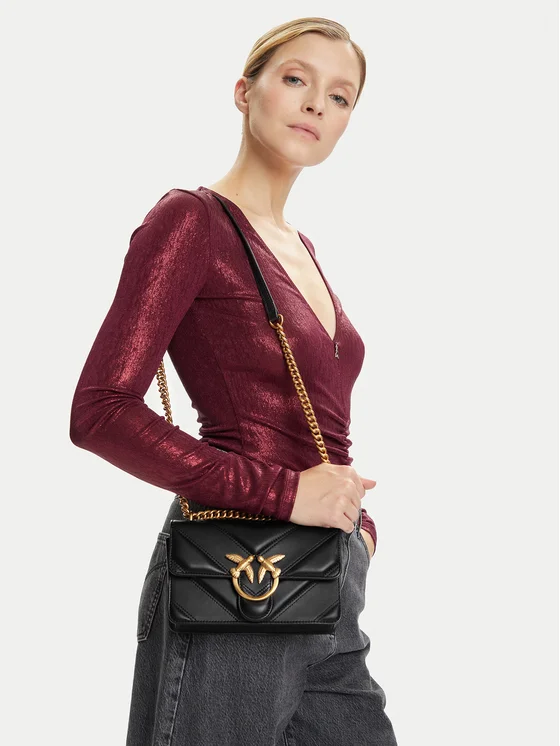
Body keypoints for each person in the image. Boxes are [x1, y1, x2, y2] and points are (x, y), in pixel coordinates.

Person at [69, 16, 399, 746]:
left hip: (327, 577)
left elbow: (315, 426)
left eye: (340, 96)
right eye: (296, 79)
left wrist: (359, 531)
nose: (316, 104)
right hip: (239, 578)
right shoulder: (192, 222)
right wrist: (285, 495)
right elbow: (100, 410)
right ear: (245, 92)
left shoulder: (302, 248)